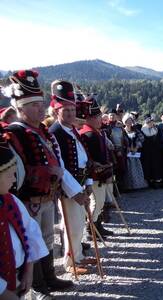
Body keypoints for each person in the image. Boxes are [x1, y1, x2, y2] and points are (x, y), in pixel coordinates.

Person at [4, 70, 86, 299]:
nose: (40, 109)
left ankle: (49, 278)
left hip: (48, 196)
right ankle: (37, 286)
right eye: (33, 105)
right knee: (31, 242)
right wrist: (45, 172)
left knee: (47, 238)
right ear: (20, 109)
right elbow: (15, 171)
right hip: (28, 200)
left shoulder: (43, 132)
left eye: (41, 104)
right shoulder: (14, 134)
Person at [48, 80, 94, 275]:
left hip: (81, 184)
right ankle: (71, 262)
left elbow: (84, 158)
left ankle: (78, 256)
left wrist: (89, 183)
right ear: (57, 111)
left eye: (72, 110)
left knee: (79, 223)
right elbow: (61, 167)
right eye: (65, 110)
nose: (70, 114)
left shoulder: (72, 129)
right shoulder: (55, 132)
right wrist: (75, 192)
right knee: (71, 225)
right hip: (70, 189)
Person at [0, 137, 48, 300]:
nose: (14, 180)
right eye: (11, 174)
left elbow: (30, 233)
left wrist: (29, 270)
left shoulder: (11, 200)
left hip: (19, 277)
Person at [78, 94, 115, 239]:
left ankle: (98, 225)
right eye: (98, 117)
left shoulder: (96, 132)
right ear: (90, 119)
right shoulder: (88, 134)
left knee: (99, 203)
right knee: (97, 202)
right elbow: (91, 158)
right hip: (95, 176)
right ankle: (91, 229)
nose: (101, 120)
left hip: (101, 173)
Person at [121, 113, 148, 190]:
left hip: (135, 153)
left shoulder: (136, 130)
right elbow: (121, 141)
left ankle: (138, 185)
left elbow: (142, 139)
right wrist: (127, 147)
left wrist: (137, 147)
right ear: (124, 122)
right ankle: (130, 186)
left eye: (130, 121)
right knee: (129, 169)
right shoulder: (123, 131)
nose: (129, 123)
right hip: (127, 153)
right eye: (127, 121)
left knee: (137, 168)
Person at [141, 114, 163, 188]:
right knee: (148, 166)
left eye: (151, 121)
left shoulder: (156, 128)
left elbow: (159, 139)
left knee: (156, 166)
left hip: (156, 151)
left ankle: (157, 182)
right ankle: (149, 182)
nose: (151, 123)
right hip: (147, 151)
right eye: (149, 121)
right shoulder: (143, 129)